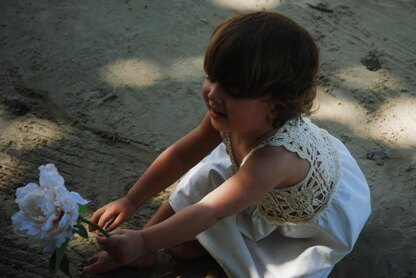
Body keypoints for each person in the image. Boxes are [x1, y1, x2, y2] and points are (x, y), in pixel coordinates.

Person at [83, 11, 371, 277]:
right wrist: (130, 201)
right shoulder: (226, 114)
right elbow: (182, 156)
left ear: (276, 106)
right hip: (255, 181)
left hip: (303, 222)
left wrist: (143, 241)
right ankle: (145, 247)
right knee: (205, 174)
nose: (214, 94)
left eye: (234, 90)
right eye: (211, 77)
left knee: (264, 263)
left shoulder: (276, 158)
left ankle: (158, 243)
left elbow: (211, 211)